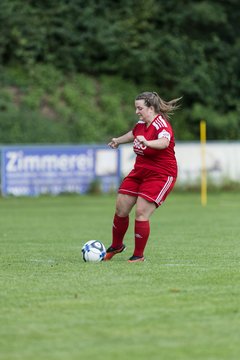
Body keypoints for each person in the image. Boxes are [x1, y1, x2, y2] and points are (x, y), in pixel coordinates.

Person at [104, 91, 182, 263]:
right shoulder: (142, 123)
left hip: (161, 174)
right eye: (136, 108)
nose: (137, 111)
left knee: (141, 212)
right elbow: (133, 134)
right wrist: (118, 140)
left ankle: (138, 255)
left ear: (151, 108)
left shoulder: (162, 125)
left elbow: (164, 142)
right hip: (139, 171)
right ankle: (116, 245)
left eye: (140, 108)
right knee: (121, 208)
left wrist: (148, 142)